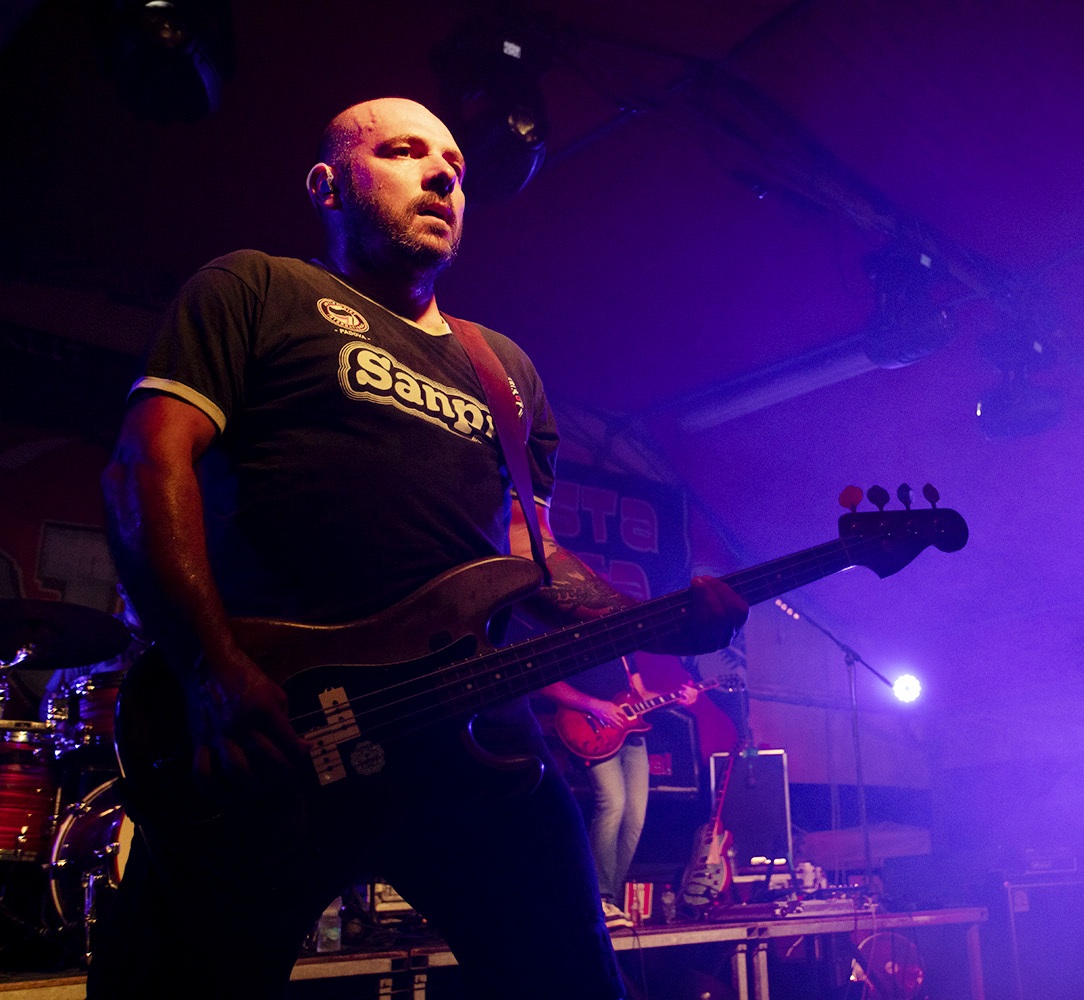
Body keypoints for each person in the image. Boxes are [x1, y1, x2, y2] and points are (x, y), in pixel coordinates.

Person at [96, 96, 748, 999]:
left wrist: (658, 619)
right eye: (404, 151)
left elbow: (532, 555)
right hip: (278, 719)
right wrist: (209, 670)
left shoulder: (505, 371)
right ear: (328, 185)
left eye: (456, 167)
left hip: (469, 733)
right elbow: (145, 464)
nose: (443, 173)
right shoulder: (254, 288)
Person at [540, 655, 698, 929]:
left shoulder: (624, 652)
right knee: (613, 803)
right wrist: (596, 706)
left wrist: (676, 698)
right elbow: (548, 685)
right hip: (590, 728)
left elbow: (640, 695)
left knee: (635, 817)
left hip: (631, 734)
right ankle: (598, 897)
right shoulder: (575, 643)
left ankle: (609, 900)